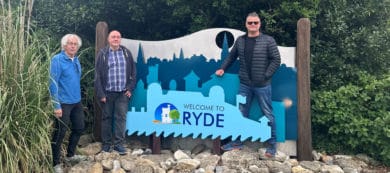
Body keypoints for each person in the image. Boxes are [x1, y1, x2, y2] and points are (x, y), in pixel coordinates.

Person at [215, 12, 281, 157]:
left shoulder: (268, 40)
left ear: (259, 24)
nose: (252, 25)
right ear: (246, 24)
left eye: (255, 23)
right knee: (239, 114)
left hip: (263, 85)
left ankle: (272, 146)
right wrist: (222, 68)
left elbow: (276, 60)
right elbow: (231, 57)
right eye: (250, 22)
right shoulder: (240, 40)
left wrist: (266, 75)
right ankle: (237, 142)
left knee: (268, 114)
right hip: (245, 84)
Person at [94, 30, 137, 155]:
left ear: (120, 39)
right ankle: (106, 145)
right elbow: (97, 76)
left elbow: (133, 73)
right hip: (107, 93)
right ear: (108, 39)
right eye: (113, 37)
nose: (116, 39)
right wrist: (101, 93)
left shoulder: (126, 53)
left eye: (118, 37)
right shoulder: (102, 54)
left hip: (122, 93)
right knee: (106, 118)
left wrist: (130, 88)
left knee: (121, 119)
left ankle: (119, 145)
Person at [49, 34, 86, 172]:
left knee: (79, 128)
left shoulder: (76, 60)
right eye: (70, 43)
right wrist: (56, 105)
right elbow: (52, 83)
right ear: (64, 45)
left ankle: (70, 156)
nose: (72, 46)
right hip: (63, 103)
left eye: (75, 44)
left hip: (76, 101)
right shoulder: (57, 60)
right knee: (60, 132)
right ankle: (55, 163)